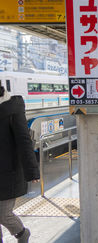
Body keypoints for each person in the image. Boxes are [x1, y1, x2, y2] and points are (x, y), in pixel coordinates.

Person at [0, 86, 40, 243]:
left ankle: (22, 234)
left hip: (8, 171)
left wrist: (32, 171)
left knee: (3, 214)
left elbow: (24, 140)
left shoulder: (12, 108)